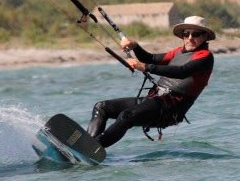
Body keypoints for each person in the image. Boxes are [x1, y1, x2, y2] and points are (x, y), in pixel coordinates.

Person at [88, 15, 215, 148]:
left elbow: (182, 72)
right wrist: (135, 46)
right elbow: (151, 58)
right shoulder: (178, 52)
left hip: (170, 109)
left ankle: (95, 147)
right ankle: (87, 144)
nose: (190, 38)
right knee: (101, 107)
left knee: (127, 116)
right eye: (186, 33)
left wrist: (145, 67)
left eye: (196, 34)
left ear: (205, 36)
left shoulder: (205, 57)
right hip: (154, 99)